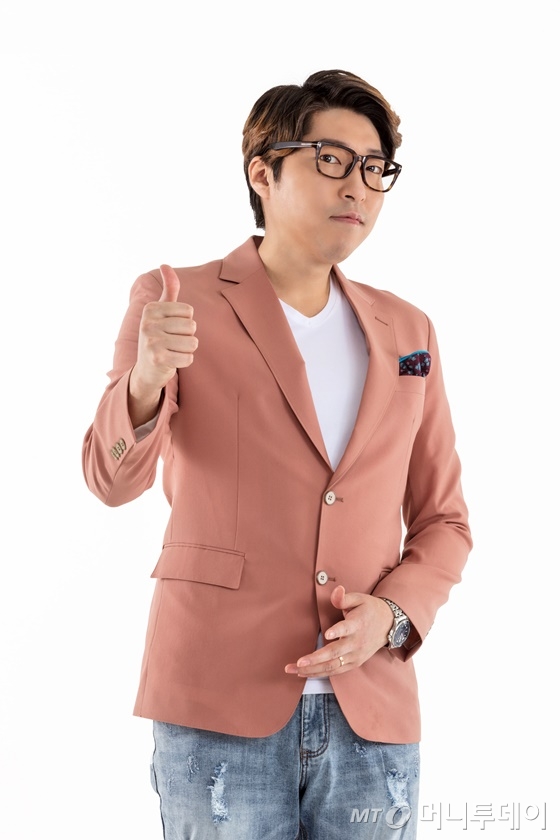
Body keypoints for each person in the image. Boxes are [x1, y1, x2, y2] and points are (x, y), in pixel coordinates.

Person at [82, 69, 472, 839]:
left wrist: (394, 615)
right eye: (331, 159)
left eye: (375, 168)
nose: (357, 185)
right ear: (262, 172)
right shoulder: (176, 299)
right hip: (216, 701)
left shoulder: (409, 331)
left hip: (373, 716)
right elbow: (109, 478)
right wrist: (146, 380)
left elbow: (446, 522)